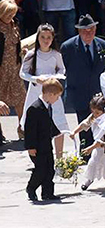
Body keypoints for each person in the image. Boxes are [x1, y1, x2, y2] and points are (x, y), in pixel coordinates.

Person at [60, 14, 105, 156]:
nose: (88, 33)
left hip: (98, 94)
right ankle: (85, 153)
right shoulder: (68, 47)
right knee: (84, 124)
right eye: (85, 30)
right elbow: (64, 69)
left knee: (101, 123)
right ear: (79, 31)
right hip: (79, 92)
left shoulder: (103, 46)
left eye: (91, 30)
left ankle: (100, 151)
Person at [20, 24, 68, 159]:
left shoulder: (56, 54)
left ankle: (59, 158)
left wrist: (55, 78)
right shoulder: (31, 54)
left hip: (52, 92)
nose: (46, 40)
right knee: (36, 122)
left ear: (52, 38)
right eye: (42, 37)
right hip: (36, 91)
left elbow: (62, 70)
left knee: (58, 122)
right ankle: (38, 155)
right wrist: (36, 79)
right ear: (38, 38)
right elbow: (23, 73)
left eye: (48, 37)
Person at [24, 78, 63, 202]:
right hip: (37, 147)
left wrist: (58, 132)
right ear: (50, 94)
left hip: (46, 145)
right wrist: (30, 147)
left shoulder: (47, 107)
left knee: (49, 169)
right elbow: (29, 130)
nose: (57, 99)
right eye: (57, 96)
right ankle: (31, 188)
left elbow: (49, 123)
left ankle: (47, 193)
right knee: (40, 170)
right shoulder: (34, 108)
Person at [71, 94, 105, 192]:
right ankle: (89, 180)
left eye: (97, 112)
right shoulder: (94, 117)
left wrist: (90, 148)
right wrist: (74, 132)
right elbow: (85, 124)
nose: (95, 114)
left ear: (103, 110)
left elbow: (101, 140)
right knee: (93, 162)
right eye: (93, 112)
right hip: (97, 148)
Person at [0, 0, 27, 138]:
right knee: (1, 101)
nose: (11, 17)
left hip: (15, 69)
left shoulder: (14, 24)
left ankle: (22, 128)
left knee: (21, 99)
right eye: (8, 15)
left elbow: (16, 43)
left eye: (13, 14)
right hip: (2, 70)